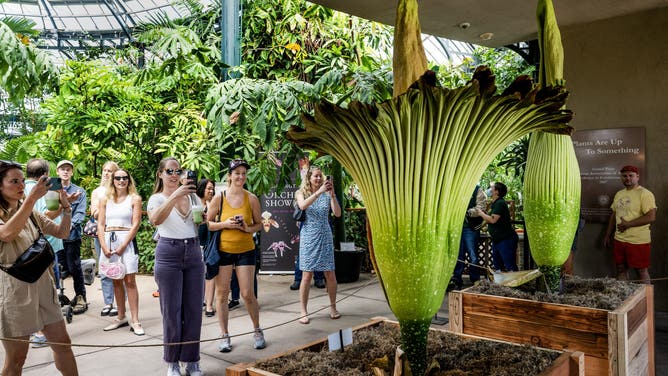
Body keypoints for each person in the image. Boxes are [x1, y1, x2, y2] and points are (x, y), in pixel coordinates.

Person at [0, 160, 79, 375]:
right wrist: (32, 198)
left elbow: (62, 233)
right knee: (17, 358)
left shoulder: (31, 213)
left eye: (21, 181)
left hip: (44, 284)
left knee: (63, 343)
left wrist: (66, 208)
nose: (20, 186)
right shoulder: (19, 210)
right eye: (14, 181)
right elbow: (6, 234)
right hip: (15, 290)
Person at [147, 157, 204, 376]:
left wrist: (204, 216)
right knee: (171, 310)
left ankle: (192, 361)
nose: (173, 174)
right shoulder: (156, 198)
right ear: (160, 174)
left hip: (193, 251)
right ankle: (172, 362)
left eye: (177, 171)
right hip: (168, 252)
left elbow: (198, 221)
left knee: (193, 311)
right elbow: (155, 220)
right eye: (169, 171)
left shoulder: (192, 197)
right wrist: (175, 195)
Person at [207, 159, 265, 353]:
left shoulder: (252, 198)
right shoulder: (219, 197)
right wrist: (226, 224)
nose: (240, 176)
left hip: (245, 250)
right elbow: (208, 223)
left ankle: (257, 330)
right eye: (237, 173)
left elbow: (259, 224)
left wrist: (247, 228)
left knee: (248, 294)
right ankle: (224, 335)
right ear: (229, 176)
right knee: (222, 294)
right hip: (223, 251)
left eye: (243, 173)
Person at [24, 159, 67, 348]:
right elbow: (45, 217)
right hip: (43, 248)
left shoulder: (18, 189)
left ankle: (38, 330)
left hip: (27, 248)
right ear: (46, 173)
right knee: (47, 292)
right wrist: (63, 207)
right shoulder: (44, 189)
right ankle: (42, 332)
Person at [98, 169, 144, 335]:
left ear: (129, 180)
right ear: (113, 180)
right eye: (118, 178)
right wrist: (103, 245)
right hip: (109, 241)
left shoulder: (135, 199)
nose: (121, 180)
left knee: (130, 281)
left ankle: (136, 320)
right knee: (115, 280)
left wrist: (124, 245)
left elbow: (136, 224)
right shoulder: (105, 199)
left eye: (125, 178)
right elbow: (101, 224)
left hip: (126, 241)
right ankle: (121, 316)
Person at [295, 166, 342, 324]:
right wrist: (320, 191)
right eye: (315, 176)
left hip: (325, 236)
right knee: (307, 275)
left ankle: (333, 307)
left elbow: (337, 214)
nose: (318, 179)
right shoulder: (301, 193)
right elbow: (302, 206)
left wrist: (332, 195)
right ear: (309, 178)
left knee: (330, 273)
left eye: (320, 176)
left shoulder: (327, 193)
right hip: (309, 236)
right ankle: (303, 311)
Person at [603, 165, 656, 284]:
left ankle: (646, 300)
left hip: (638, 241)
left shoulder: (645, 194)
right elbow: (614, 215)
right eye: (624, 176)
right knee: (621, 269)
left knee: (641, 271)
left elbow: (651, 216)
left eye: (631, 176)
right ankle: (625, 299)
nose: (627, 178)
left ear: (637, 177)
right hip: (619, 239)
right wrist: (608, 235)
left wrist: (628, 224)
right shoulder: (619, 194)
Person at [55, 160, 88, 314]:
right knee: (58, 268)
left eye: (68, 169)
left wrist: (66, 227)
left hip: (72, 236)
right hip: (54, 237)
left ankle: (81, 297)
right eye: (62, 169)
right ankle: (59, 297)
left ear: (72, 172)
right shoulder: (52, 190)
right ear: (57, 172)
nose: (65, 172)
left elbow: (80, 214)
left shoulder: (79, 191)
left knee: (75, 267)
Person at [90, 161, 119, 317]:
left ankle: (120, 303)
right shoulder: (97, 192)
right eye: (105, 170)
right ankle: (108, 302)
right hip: (102, 233)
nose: (106, 173)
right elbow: (94, 212)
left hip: (119, 233)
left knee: (120, 267)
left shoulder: (120, 190)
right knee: (105, 269)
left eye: (110, 171)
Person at [450, 185, 487, 290]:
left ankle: (475, 279)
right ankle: (457, 279)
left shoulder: (477, 190)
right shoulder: (457, 188)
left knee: (473, 255)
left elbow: (481, 207)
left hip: (470, 228)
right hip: (457, 227)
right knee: (458, 254)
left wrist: (467, 212)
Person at [476, 182, 518, 272]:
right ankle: (500, 284)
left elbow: (493, 220)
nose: (489, 189)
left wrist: (481, 213)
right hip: (498, 240)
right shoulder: (495, 203)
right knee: (498, 266)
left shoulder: (500, 203)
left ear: (496, 192)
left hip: (506, 239)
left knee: (509, 265)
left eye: (492, 188)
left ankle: (515, 284)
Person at [197, 178, 217, 317]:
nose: (211, 191)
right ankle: (199, 301)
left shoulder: (213, 204)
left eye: (212, 188)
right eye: (208, 188)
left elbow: (214, 221)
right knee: (197, 276)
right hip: (194, 243)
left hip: (209, 243)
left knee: (210, 274)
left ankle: (209, 305)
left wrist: (210, 206)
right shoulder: (194, 203)